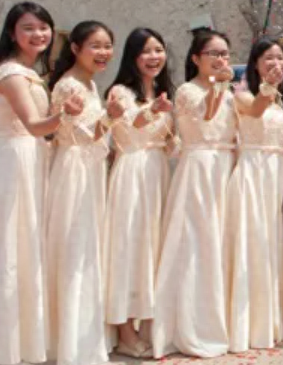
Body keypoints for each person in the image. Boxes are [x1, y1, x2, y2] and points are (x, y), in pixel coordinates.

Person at [0, 1, 81, 365]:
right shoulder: (11, 74)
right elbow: (34, 126)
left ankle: (25, 342)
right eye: (28, 28)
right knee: (13, 248)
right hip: (15, 161)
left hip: (31, 159)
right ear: (12, 32)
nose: (38, 34)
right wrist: (64, 114)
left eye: (43, 27)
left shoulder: (31, 73)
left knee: (27, 247)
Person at [152, 29, 236, 358]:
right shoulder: (187, 91)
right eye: (213, 53)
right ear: (196, 58)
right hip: (199, 168)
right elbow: (207, 114)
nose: (220, 59)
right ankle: (193, 325)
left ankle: (226, 320)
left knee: (222, 241)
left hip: (225, 167)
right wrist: (219, 85)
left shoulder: (230, 92)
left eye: (225, 54)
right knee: (197, 244)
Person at [45, 21, 121, 365]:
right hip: (73, 171)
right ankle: (69, 341)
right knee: (74, 248)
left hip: (88, 170)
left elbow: (92, 134)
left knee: (86, 248)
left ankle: (82, 335)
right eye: (96, 46)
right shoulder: (68, 86)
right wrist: (110, 118)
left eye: (107, 46)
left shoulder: (89, 83)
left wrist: (109, 118)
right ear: (75, 48)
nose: (103, 52)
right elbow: (75, 136)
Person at [103, 28, 175, 357]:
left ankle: (148, 324)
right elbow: (130, 125)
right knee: (129, 248)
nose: (153, 57)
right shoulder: (120, 91)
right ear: (133, 56)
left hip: (158, 173)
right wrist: (154, 111)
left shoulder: (162, 91)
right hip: (132, 173)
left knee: (153, 249)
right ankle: (124, 331)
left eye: (158, 50)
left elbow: (168, 139)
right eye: (146, 51)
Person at [224, 37, 283, 352]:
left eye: (280, 58)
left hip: (276, 172)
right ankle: (246, 324)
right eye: (269, 58)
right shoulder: (243, 95)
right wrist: (268, 87)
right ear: (255, 64)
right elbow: (254, 110)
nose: (276, 63)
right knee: (252, 242)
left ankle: (271, 319)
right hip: (252, 171)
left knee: (271, 242)